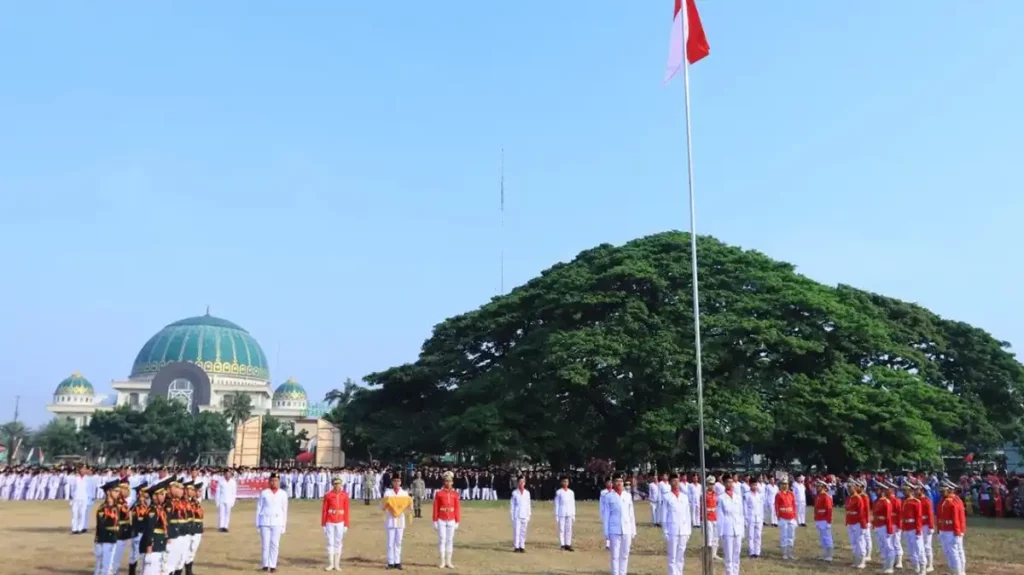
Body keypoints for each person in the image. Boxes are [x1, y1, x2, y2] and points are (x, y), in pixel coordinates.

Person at [601, 473, 636, 575]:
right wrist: (606, 531)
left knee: (625, 555)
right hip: (614, 529)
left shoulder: (628, 496)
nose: (619, 483)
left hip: (627, 529)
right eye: (617, 481)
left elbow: (631, 514)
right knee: (615, 556)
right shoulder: (609, 497)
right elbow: (606, 515)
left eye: (620, 481)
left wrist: (633, 530)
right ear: (613, 483)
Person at [256, 473, 289, 573]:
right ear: (269, 481)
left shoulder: (283, 494)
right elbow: (259, 508)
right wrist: (257, 523)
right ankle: (265, 565)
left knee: (275, 544)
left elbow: (284, 510)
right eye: (272, 480)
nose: (274, 482)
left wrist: (284, 525)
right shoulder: (264, 493)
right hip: (265, 521)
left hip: (277, 521)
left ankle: (273, 565)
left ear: (279, 482)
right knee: (265, 544)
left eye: (276, 481)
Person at [381, 474, 413, 570]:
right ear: (392, 482)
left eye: (398, 481)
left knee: (398, 541)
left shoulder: (404, 493)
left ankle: (397, 561)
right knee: (390, 542)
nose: (396, 483)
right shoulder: (388, 493)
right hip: (390, 518)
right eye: (394, 481)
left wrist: (410, 503)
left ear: (401, 482)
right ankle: (390, 562)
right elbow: (382, 506)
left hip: (400, 518)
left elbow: (408, 506)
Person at [662, 473, 692, 575]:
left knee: (680, 556)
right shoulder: (667, 497)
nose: (676, 483)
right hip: (672, 530)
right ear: (670, 482)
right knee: (672, 556)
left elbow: (687, 515)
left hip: (683, 530)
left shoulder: (684, 497)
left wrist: (688, 531)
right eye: (674, 481)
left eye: (678, 481)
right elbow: (664, 515)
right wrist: (665, 531)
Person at [139, 480, 170, 575]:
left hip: (159, 544)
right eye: (161, 494)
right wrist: (149, 546)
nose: (163, 496)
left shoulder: (159, 509)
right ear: (154, 496)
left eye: (164, 493)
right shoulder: (152, 511)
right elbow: (149, 529)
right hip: (153, 546)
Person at [715, 475, 744, 575]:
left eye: (731, 482)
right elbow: (719, 516)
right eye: (728, 482)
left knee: (737, 554)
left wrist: (742, 530)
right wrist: (721, 532)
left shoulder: (738, 497)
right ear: (724, 483)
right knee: (729, 556)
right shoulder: (721, 498)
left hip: (738, 528)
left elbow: (741, 514)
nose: (730, 484)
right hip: (727, 529)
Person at [432, 471, 461, 569]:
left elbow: (457, 508)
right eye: (446, 481)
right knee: (442, 539)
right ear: (444, 482)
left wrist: (457, 520)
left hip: (451, 518)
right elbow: (436, 507)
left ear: (452, 482)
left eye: (450, 481)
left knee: (450, 540)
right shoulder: (439, 493)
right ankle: (442, 561)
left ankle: (449, 561)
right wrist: (435, 520)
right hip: (441, 518)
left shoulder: (455, 494)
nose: (448, 483)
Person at [321, 476, 350, 571]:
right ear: (333, 485)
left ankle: (337, 564)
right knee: (330, 542)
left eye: (339, 484)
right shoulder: (328, 495)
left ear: (341, 485)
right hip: (330, 520)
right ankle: (331, 564)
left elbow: (346, 510)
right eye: (336, 484)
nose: (338, 486)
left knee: (338, 542)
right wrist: (323, 523)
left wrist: (346, 524)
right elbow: (324, 510)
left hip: (340, 521)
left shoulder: (344, 495)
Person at [937, 480, 965, 575]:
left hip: (951, 530)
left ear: (949, 490)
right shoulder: (943, 501)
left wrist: (958, 532)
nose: (940, 493)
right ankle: (953, 570)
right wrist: (939, 530)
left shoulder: (954, 501)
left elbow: (957, 518)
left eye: (943, 491)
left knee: (955, 553)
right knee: (948, 552)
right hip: (944, 530)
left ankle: (959, 572)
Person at [94, 479, 122, 575]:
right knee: (103, 567)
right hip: (105, 540)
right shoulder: (103, 508)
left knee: (109, 566)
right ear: (108, 492)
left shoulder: (116, 507)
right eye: (115, 491)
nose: (118, 493)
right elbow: (101, 527)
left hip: (113, 538)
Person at [900, 482, 925, 575]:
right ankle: (916, 567)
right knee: (911, 550)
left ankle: (922, 567)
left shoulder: (916, 502)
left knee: (919, 549)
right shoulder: (904, 501)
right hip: (907, 528)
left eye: (905, 490)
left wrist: (918, 530)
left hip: (914, 528)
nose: (903, 492)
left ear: (910, 490)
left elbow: (918, 517)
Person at [872, 481, 896, 574]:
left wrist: (889, 529)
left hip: (884, 527)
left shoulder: (886, 502)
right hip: (878, 526)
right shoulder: (876, 501)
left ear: (882, 490)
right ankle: (885, 565)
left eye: (877, 490)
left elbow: (888, 517)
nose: (875, 492)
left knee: (888, 546)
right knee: (881, 546)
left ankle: (890, 566)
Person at [846, 479, 869, 569]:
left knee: (860, 541)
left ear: (855, 487)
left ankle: (862, 560)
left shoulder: (858, 498)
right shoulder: (849, 498)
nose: (848, 489)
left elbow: (861, 513)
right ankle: (856, 560)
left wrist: (863, 524)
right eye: (848, 487)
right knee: (854, 542)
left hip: (857, 523)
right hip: (851, 522)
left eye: (850, 487)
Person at [127, 481, 150, 575]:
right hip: (137, 532)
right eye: (144, 492)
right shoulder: (136, 504)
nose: (146, 494)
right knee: (134, 554)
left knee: (144, 555)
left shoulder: (148, 503)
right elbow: (131, 515)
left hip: (145, 532)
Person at [914, 482, 936, 573]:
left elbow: (930, 514)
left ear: (922, 490)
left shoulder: (926, 501)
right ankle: (921, 562)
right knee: (919, 546)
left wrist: (931, 526)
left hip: (926, 525)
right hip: (919, 525)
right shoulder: (916, 500)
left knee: (927, 546)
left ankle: (930, 564)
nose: (915, 491)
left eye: (917, 489)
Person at [184, 482, 205, 575]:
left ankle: (189, 570)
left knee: (192, 551)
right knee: (188, 551)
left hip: (198, 529)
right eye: (199, 491)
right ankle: (188, 571)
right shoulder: (189, 503)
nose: (200, 493)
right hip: (192, 530)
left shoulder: (196, 502)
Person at [775, 477, 798, 560]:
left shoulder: (791, 494)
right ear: (780, 485)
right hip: (783, 517)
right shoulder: (778, 494)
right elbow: (776, 506)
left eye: (786, 484)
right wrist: (778, 516)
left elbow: (794, 505)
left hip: (791, 517)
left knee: (791, 535)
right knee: (784, 535)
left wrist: (795, 516)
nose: (785, 486)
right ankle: (784, 553)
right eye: (783, 484)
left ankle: (790, 553)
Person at [743, 476, 764, 558]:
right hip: (750, 517)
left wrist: (762, 518)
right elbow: (745, 508)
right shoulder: (747, 495)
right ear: (750, 485)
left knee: (758, 535)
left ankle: (757, 552)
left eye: (756, 485)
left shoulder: (759, 495)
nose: (754, 486)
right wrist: (745, 518)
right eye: (753, 485)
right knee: (751, 535)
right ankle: (752, 552)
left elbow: (761, 507)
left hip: (759, 517)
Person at [553, 475, 576, 551]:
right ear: (561, 482)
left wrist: (573, 514)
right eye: (564, 481)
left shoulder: (571, 492)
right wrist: (556, 515)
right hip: (561, 512)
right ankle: (562, 544)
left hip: (569, 512)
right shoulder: (559, 492)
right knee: (562, 529)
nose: (566, 483)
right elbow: (557, 504)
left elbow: (573, 504)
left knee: (569, 529)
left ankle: (568, 544)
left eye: (567, 481)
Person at [70, 464, 95, 535]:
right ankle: (74, 529)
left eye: (85, 469)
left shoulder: (88, 478)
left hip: (84, 498)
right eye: (82, 469)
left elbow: (90, 489)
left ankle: (80, 528)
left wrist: (90, 498)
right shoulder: (75, 478)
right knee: (75, 514)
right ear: (79, 470)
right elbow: (72, 489)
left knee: (82, 514)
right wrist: (72, 497)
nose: (84, 470)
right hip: (76, 498)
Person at [510, 475, 532, 553]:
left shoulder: (527, 493)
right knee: (517, 531)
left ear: (525, 483)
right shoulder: (515, 493)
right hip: (517, 514)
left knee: (523, 531)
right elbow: (512, 505)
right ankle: (516, 546)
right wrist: (512, 516)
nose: (521, 483)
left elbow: (528, 504)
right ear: (517, 483)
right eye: (520, 482)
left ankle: (522, 546)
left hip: (525, 514)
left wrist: (529, 514)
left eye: (523, 482)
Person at [813, 478, 834, 562]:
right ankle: (824, 554)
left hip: (825, 520)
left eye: (819, 486)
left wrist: (828, 521)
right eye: (817, 486)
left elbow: (829, 510)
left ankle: (829, 555)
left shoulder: (826, 497)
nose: (817, 487)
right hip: (819, 519)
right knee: (822, 538)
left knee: (827, 538)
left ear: (824, 487)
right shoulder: (818, 496)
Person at [705, 476, 720, 560]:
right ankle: (709, 554)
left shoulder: (716, 494)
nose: (711, 486)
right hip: (708, 517)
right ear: (707, 484)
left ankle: (714, 554)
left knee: (716, 536)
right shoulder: (704, 494)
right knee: (709, 536)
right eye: (710, 484)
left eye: (713, 484)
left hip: (715, 516)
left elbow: (717, 505)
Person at [598, 477, 614, 549]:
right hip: (606, 512)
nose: (610, 484)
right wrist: (601, 513)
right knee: (607, 528)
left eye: (611, 482)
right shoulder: (603, 492)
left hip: (613, 512)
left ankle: (613, 542)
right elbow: (601, 503)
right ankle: (608, 543)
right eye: (608, 482)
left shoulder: (614, 492)